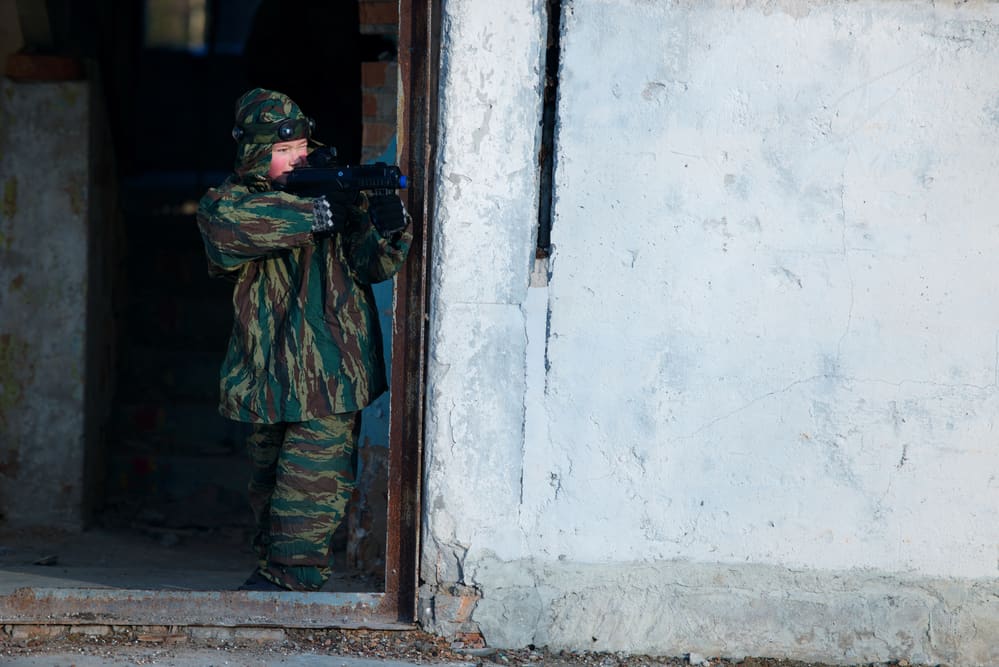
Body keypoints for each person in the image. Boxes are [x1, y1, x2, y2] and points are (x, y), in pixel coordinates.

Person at [196, 88, 411, 591]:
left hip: (332, 371)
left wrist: (386, 227)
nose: (298, 158)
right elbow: (227, 233)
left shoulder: (335, 195)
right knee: (268, 490)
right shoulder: (231, 202)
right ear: (254, 153)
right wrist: (315, 214)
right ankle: (275, 573)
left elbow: (371, 265)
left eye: (301, 149)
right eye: (283, 151)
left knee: (310, 492)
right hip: (268, 373)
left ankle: (291, 583)